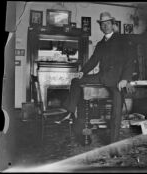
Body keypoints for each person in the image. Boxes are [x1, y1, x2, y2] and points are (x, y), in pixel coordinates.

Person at [61, 12, 135, 143]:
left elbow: (130, 60)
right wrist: (82, 72)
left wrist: (125, 79)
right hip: (102, 77)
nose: (105, 26)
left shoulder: (122, 39)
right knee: (76, 80)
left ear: (113, 25)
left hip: (117, 81)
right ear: (100, 27)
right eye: (103, 24)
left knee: (116, 112)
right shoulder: (101, 43)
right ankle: (70, 110)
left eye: (108, 23)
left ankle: (113, 143)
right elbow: (93, 60)